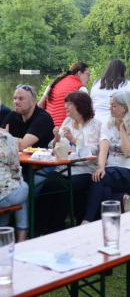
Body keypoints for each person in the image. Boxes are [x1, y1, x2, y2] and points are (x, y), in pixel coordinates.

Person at [40, 91, 101, 231]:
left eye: (69, 105)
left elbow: (92, 153)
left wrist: (73, 139)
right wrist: (56, 138)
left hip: (85, 169)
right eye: (65, 104)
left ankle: (56, 228)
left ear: (80, 106)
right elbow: (54, 147)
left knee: (61, 186)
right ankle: (42, 228)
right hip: (63, 167)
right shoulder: (67, 121)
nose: (65, 107)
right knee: (47, 183)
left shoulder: (95, 125)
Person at [82, 90, 130, 223]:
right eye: (110, 105)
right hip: (111, 172)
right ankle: (121, 199)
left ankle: (87, 221)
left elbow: (128, 152)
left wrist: (122, 128)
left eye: (114, 106)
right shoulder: (108, 123)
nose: (110, 108)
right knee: (101, 182)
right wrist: (100, 167)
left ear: (125, 108)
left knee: (100, 179)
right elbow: (104, 145)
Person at [90, 59, 130, 125]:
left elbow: (91, 105)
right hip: (118, 125)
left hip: (97, 122)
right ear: (123, 71)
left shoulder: (96, 85)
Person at [1, 84, 54, 150]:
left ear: (33, 101)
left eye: (21, 99)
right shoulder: (13, 115)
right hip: (17, 159)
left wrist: (6, 137)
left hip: (41, 159)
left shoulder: (43, 118)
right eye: (15, 98)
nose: (16, 102)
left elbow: (23, 146)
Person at [39, 61, 91, 126]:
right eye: (88, 74)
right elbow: (87, 115)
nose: (89, 78)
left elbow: (39, 107)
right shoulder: (81, 89)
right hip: (64, 130)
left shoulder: (54, 83)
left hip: (46, 127)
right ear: (79, 73)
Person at [0, 129, 29, 242]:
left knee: (11, 191)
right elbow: (15, 170)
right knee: (22, 186)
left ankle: (4, 239)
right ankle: (22, 240)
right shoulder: (6, 137)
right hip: (4, 195)